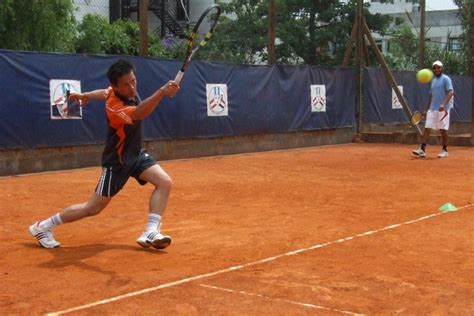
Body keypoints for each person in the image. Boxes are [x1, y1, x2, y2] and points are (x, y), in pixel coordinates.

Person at [29, 59, 180, 249]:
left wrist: (86, 95)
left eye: (133, 81)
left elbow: (103, 92)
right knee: (93, 207)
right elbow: (140, 113)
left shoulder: (116, 91)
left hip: (135, 155)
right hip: (116, 162)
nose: (132, 87)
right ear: (116, 86)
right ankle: (43, 226)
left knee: (164, 181)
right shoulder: (115, 108)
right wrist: (161, 92)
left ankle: (150, 231)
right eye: (126, 84)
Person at [412, 60, 454, 158]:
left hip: (443, 110)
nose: (437, 69)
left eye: (439, 67)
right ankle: (422, 149)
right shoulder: (433, 81)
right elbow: (431, 96)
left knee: (443, 130)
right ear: (433, 69)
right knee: (427, 129)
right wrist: (426, 110)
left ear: (442, 68)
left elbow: (451, 92)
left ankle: (444, 150)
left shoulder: (446, 79)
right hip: (433, 108)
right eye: (435, 68)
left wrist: (443, 104)